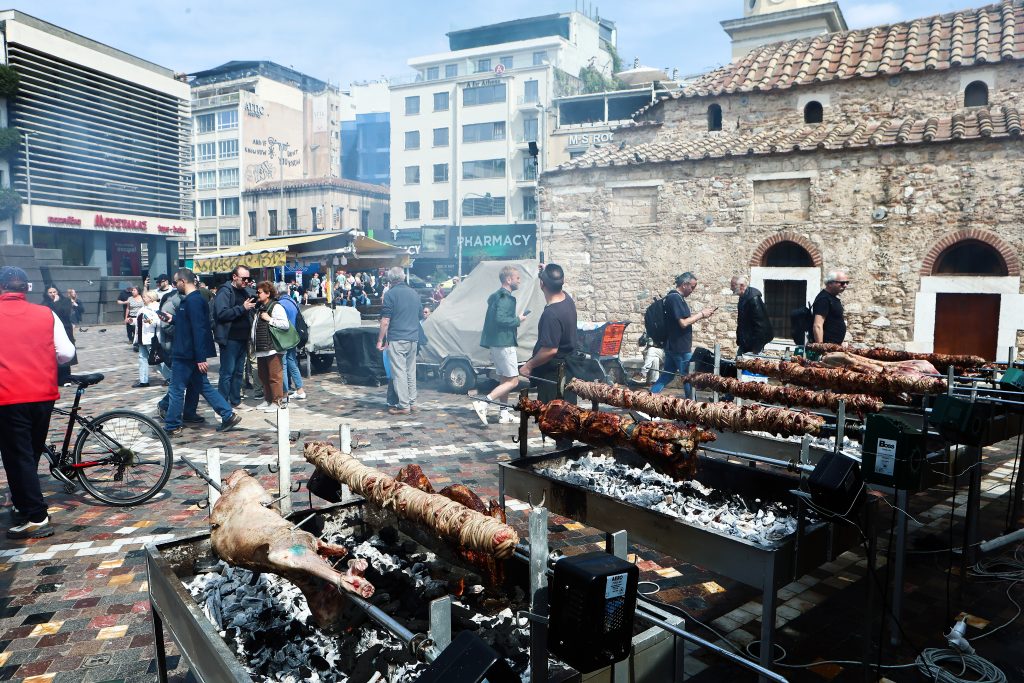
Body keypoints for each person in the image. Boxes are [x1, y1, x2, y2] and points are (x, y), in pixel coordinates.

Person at [0, 266, 75, 539]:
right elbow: (66, 352)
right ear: (26, 288)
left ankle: (36, 515)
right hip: (42, 394)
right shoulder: (46, 313)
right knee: (29, 454)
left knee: (17, 456)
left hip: (8, 395)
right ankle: (23, 502)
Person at [161, 268, 242, 436]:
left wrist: (200, 358)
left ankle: (172, 425)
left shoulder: (194, 301)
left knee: (176, 390)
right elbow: (189, 324)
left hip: (186, 354)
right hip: (189, 353)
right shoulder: (192, 300)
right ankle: (228, 415)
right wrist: (172, 319)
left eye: (176, 283)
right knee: (203, 386)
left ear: (183, 282)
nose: (175, 286)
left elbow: (199, 330)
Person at [474, 265, 529, 425]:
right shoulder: (506, 298)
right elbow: (501, 319)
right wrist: (518, 320)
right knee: (513, 381)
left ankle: (503, 413)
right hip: (505, 343)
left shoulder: (496, 297)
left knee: (505, 378)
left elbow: (498, 317)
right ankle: (484, 402)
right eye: (517, 278)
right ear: (508, 279)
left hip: (497, 343)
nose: (519, 281)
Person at [650, 273, 716, 397]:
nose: (693, 290)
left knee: (668, 374)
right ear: (684, 285)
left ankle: (650, 397)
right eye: (692, 287)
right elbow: (683, 323)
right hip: (679, 347)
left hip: (673, 344)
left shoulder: (674, 298)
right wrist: (702, 314)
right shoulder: (675, 299)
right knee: (688, 376)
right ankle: (692, 408)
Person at [519, 264, 577, 403]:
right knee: (568, 414)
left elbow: (550, 350)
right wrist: (548, 271)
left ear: (542, 284)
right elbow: (555, 281)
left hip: (554, 375)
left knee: (552, 418)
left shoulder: (551, 314)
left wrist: (529, 366)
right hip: (569, 371)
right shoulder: (567, 300)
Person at [377, 267, 421, 415]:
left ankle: (403, 405)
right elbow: (420, 315)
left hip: (397, 338)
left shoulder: (390, 294)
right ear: (402, 278)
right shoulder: (414, 293)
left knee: (399, 373)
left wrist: (380, 340)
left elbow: (385, 321)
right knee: (410, 372)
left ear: (391, 280)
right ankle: (413, 403)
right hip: (413, 338)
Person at [213, 266, 256, 409]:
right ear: (234, 277)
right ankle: (222, 403)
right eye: (244, 278)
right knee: (227, 372)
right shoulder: (224, 291)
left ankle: (235, 400)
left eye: (248, 279)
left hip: (243, 338)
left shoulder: (244, 292)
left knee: (238, 372)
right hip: (229, 338)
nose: (246, 281)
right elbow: (222, 314)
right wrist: (242, 308)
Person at [730, 275, 774, 355]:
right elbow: (742, 322)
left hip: (753, 344)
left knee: (749, 365)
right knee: (738, 364)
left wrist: (756, 348)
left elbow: (761, 325)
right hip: (746, 343)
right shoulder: (743, 297)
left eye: (733, 286)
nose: (731, 288)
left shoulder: (753, 299)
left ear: (742, 286)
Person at [276, 291, 307, 400]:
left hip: (284, 337)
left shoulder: (280, 304)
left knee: (283, 365)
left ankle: (284, 393)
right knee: (292, 362)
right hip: (293, 336)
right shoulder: (292, 302)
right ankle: (300, 390)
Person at [44, 286, 76, 386]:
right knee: (54, 355)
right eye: (50, 292)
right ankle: (56, 378)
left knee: (64, 355)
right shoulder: (44, 304)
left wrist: (56, 303)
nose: (53, 294)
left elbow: (63, 313)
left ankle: (66, 379)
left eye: (54, 291)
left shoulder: (65, 301)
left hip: (65, 331)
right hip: (51, 331)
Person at [133, 291, 164, 388]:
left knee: (157, 359)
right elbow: (140, 321)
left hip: (151, 338)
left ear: (150, 298)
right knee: (142, 359)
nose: (143, 298)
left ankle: (170, 377)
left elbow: (160, 322)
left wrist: (149, 321)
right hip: (142, 337)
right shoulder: (142, 309)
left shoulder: (157, 308)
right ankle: (144, 381)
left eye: (145, 297)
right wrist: (132, 321)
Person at [812, 270, 850, 344]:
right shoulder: (824, 299)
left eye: (847, 283)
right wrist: (821, 348)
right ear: (830, 283)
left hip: (833, 345)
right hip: (827, 346)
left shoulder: (831, 297)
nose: (845, 285)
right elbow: (817, 325)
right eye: (842, 283)